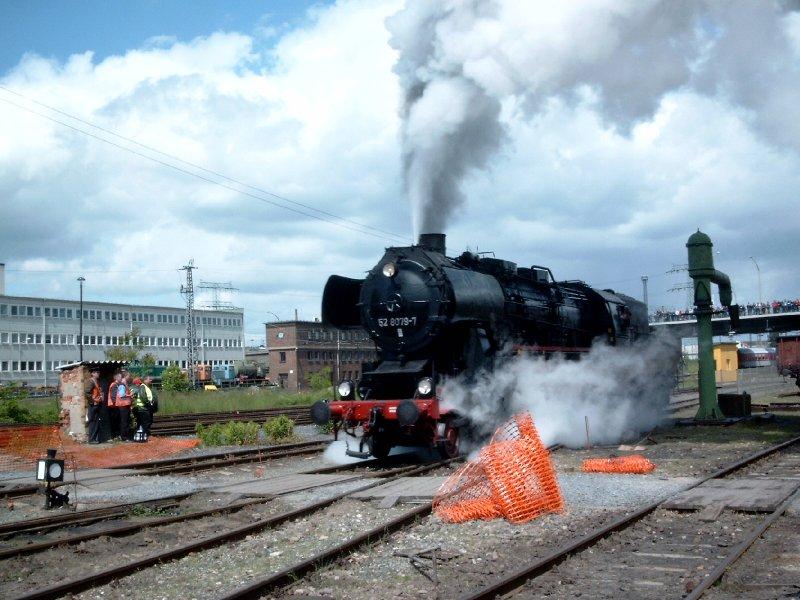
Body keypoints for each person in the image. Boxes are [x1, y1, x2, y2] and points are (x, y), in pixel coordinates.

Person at [133, 375, 157, 441]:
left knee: (145, 422)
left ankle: (144, 436)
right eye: (149, 379)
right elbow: (143, 396)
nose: (151, 380)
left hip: (143, 408)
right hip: (143, 408)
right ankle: (145, 436)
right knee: (145, 423)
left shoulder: (145, 387)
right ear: (145, 380)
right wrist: (148, 404)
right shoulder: (143, 387)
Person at [84, 368, 103, 444]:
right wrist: (93, 401)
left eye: (98, 372)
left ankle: (95, 438)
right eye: (96, 372)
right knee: (92, 422)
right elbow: (87, 392)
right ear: (92, 373)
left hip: (97, 404)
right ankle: (91, 439)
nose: (98, 373)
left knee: (96, 421)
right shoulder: (90, 381)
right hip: (93, 405)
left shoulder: (96, 381)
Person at [116, 374, 133, 441]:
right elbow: (121, 395)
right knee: (124, 421)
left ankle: (125, 436)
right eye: (129, 376)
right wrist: (130, 395)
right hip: (123, 406)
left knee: (126, 421)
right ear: (125, 378)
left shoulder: (124, 385)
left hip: (125, 405)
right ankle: (124, 437)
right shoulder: (122, 385)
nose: (130, 378)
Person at [107, 373, 122, 439]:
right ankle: (114, 435)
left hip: (115, 405)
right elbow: (114, 396)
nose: (121, 378)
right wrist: (116, 404)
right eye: (120, 377)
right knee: (114, 421)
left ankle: (116, 434)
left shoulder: (117, 385)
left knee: (116, 421)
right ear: (117, 378)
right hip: (113, 406)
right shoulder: (114, 385)